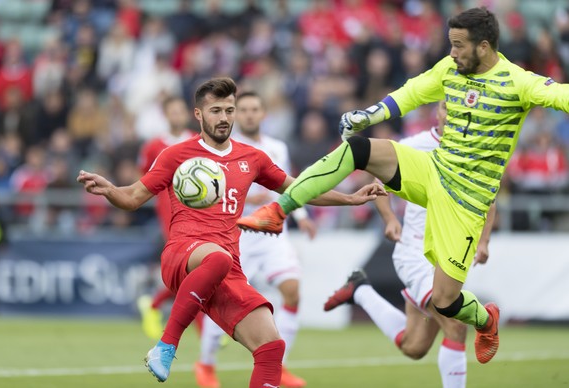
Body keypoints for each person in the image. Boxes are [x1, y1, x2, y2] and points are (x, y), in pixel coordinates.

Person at [238, 7, 569, 364]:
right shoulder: (448, 69)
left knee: (445, 302)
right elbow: (411, 93)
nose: (452, 53)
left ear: (484, 46)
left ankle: (487, 320)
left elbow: (560, 95)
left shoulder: (518, 82)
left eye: (459, 46)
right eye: (450, 44)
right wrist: (370, 114)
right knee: (358, 149)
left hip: (466, 203)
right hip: (432, 170)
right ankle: (278, 210)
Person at [76, 77, 386, 386]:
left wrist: (349, 198)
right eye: (215, 111)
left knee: (271, 346)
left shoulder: (252, 158)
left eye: (229, 110)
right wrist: (109, 190)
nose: (224, 118)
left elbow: (300, 189)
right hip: (183, 253)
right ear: (198, 115)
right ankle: (166, 345)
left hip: (228, 269)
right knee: (218, 259)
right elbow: (132, 197)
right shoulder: (176, 155)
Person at [323, 101, 496, 388]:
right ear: (437, 113)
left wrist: (484, 241)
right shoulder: (415, 144)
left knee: (414, 347)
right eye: (445, 109)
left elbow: (488, 199)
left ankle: (360, 290)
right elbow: (379, 176)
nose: (451, 116)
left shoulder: (473, 151)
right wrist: (390, 218)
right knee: (454, 323)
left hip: (448, 256)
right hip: (415, 251)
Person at [194, 91, 315, 388]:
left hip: (273, 233)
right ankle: (206, 365)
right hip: (236, 236)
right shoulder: (224, 149)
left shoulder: (277, 148)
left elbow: (289, 187)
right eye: (242, 109)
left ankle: (280, 366)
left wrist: (301, 217)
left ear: (263, 114)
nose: (248, 114)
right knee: (220, 301)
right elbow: (210, 192)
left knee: (292, 291)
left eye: (253, 109)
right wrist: (248, 195)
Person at [135, 95, 194, 340]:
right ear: (166, 115)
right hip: (169, 207)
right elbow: (146, 178)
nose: (177, 116)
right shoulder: (154, 146)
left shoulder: (198, 141)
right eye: (173, 111)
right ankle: (208, 328)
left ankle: (154, 304)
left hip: (198, 209)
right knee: (188, 266)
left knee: (195, 269)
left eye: (181, 111)